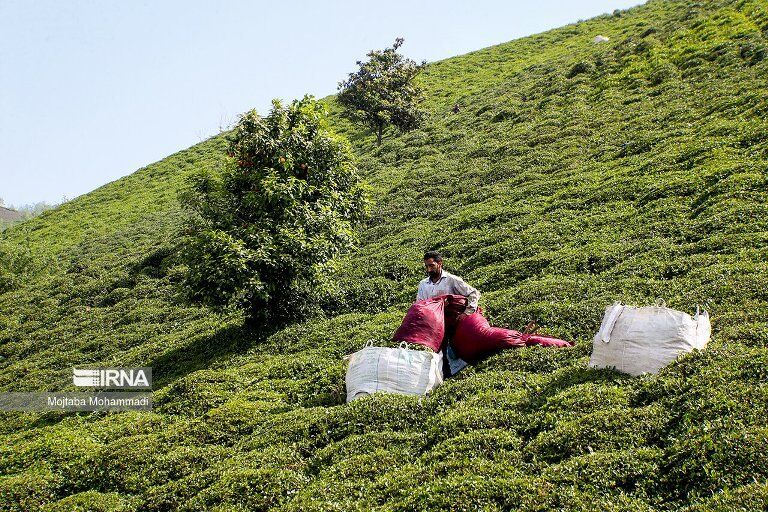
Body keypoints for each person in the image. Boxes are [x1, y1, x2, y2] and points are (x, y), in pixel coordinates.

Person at [417, 250, 480, 376]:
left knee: (455, 350)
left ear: (440, 263)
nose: (429, 270)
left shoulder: (451, 280)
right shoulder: (423, 284)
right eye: (426, 266)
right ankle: (444, 375)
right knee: (439, 353)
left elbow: (473, 293)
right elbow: (420, 304)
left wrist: (467, 312)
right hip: (435, 325)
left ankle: (460, 372)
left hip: (452, 322)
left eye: (431, 266)